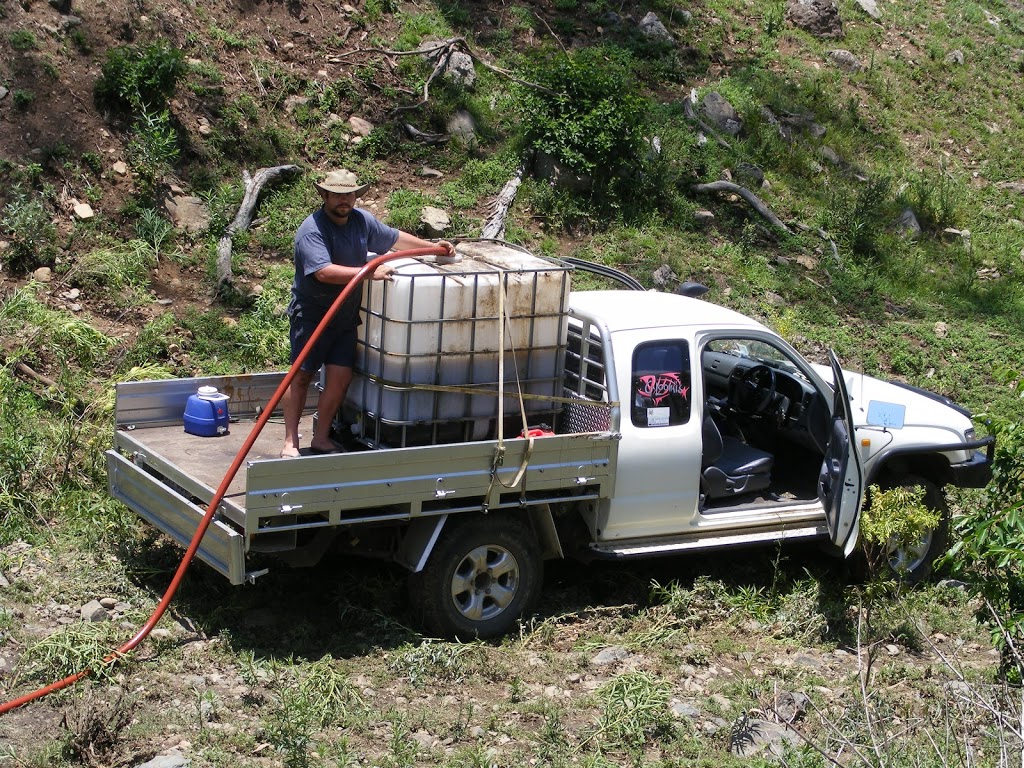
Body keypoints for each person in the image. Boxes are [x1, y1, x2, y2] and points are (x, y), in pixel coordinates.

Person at [280, 169, 455, 458]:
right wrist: (367, 272)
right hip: (312, 315)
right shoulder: (312, 229)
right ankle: (290, 441)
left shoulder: (361, 222)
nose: (343, 200)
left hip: (345, 316)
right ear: (324, 196)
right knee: (301, 376)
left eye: (348, 194)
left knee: (340, 377)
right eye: (336, 194)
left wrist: (434, 248)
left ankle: (321, 438)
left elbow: (395, 239)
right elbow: (323, 273)